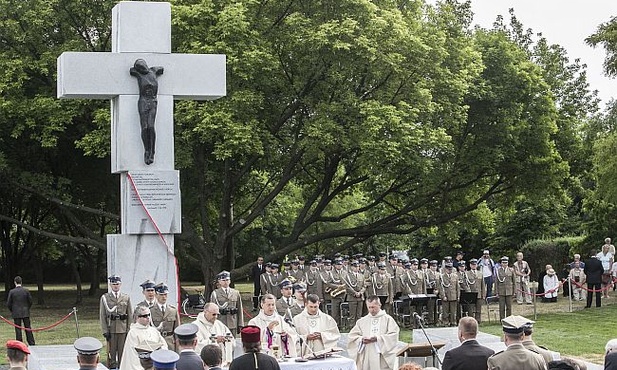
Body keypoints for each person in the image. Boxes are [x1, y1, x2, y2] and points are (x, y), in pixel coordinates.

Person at [348, 295, 400, 370]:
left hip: (381, 356)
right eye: (369, 307)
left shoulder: (388, 319)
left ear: (379, 305)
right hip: (366, 353)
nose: (371, 310)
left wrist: (377, 339)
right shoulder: (362, 321)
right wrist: (361, 339)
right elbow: (352, 336)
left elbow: (393, 335)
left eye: (373, 307)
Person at [130, 58, 164, 165]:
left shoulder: (154, 71)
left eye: (142, 65)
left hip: (153, 101)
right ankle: (146, 150)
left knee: (151, 126)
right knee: (144, 127)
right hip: (143, 101)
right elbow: (131, 70)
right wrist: (137, 69)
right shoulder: (138, 74)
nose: (142, 68)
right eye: (139, 67)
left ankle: (152, 151)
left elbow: (162, 68)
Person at [100, 275, 133, 369]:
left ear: (120, 284)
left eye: (117, 284)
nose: (115, 286)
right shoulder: (105, 298)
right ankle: (113, 367)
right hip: (111, 329)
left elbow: (130, 315)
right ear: (110, 285)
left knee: (123, 352)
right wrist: (105, 330)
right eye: (114, 284)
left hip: (123, 329)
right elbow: (102, 316)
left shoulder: (126, 297)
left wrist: (129, 329)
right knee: (112, 352)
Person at [120, 305, 168, 370]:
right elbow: (132, 355)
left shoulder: (153, 330)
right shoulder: (133, 333)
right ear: (137, 317)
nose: (148, 317)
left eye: (149, 315)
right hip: (142, 365)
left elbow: (164, 345)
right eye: (144, 316)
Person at [152, 283, 181, 351]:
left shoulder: (173, 310)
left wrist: (177, 348)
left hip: (170, 343)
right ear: (156, 295)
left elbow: (177, 330)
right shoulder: (151, 311)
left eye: (165, 294)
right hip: (156, 342)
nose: (164, 297)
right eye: (161, 295)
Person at [7, 276, 35, 345]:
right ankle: (31, 342)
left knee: (18, 329)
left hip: (16, 313)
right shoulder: (26, 290)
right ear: (21, 282)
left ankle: (19, 343)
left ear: (15, 282)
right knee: (28, 328)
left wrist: (12, 310)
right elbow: (30, 301)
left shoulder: (12, 292)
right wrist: (27, 308)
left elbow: (8, 303)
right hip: (25, 312)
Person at [439, 262, 459, 327]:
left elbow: (457, 287)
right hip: (446, 296)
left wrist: (458, 296)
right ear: (445, 269)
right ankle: (445, 322)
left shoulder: (455, 276)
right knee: (445, 311)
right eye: (448, 269)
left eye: (451, 269)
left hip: (453, 296)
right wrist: (443, 296)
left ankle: (453, 322)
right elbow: (440, 288)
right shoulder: (442, 277)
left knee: (453, 311)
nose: (449, 270)